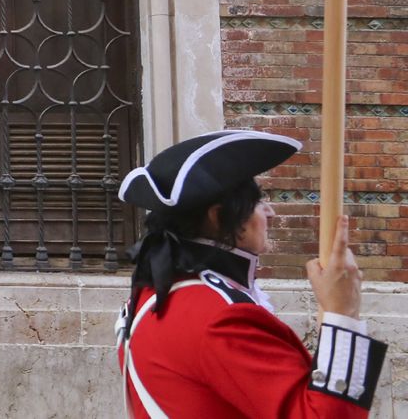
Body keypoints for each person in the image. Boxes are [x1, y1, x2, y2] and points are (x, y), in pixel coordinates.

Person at [116, 129, 387, 417]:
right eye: (258, 202)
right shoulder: (223, 317)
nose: (269, 212)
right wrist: (343, 314)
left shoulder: (148, 298)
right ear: (219, 217)